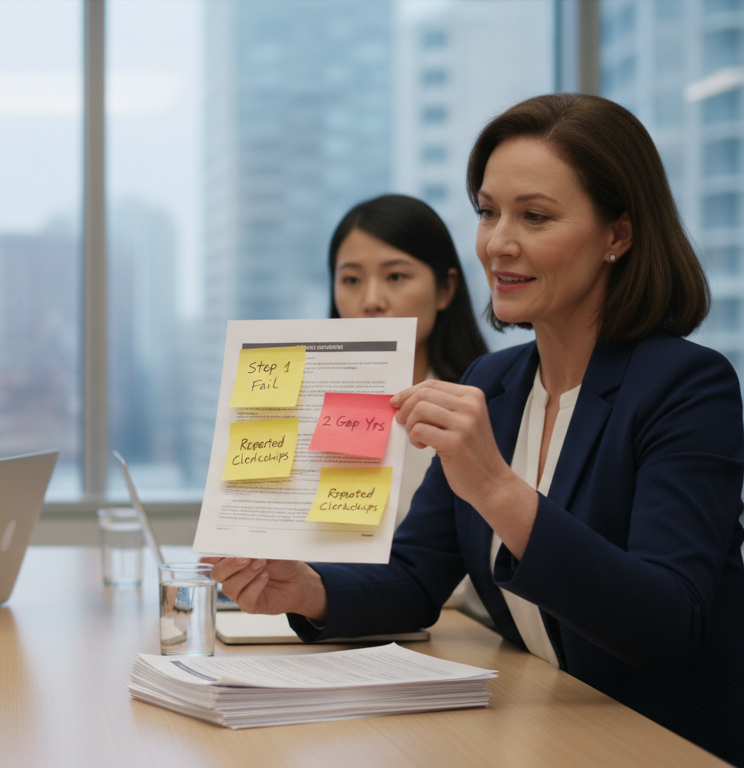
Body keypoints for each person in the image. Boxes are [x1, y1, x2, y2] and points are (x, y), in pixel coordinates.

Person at [210, 93, 744, 764]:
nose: (497, 243)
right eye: (488, 212)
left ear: (619, 235)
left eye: (535, 216)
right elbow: (417, 577)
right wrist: (307, 588)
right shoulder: (493, 382)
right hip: (545, 728)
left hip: (663, 742)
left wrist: (496, 487)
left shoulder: (686, 385)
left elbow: (668, 625)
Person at [328, 194, 488, 524]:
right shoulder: (304, 408)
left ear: (445, 288)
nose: (371, 301)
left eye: (396, 276)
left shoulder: (485, 411)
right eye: (352, 280)